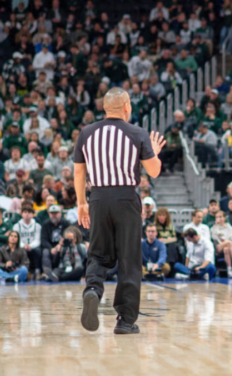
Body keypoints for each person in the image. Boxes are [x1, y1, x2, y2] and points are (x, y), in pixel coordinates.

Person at [74, 87, 165, 335]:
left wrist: (82, 202)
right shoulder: (137, 132)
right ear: (127, 106)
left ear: (104, 107)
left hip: (98, 198)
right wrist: (155, 152)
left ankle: (92, 290)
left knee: (99, 254)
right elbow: (154, 171)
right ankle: (125, 321)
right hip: (126, 198)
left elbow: (79, 171)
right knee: (129, 259)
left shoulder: (86, 133)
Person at [211, 210, 232, 278]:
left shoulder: (229, 227)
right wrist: (215, 226)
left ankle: (229, 270)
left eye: (220, 217)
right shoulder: (214, 228)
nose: (218, 219)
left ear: (224, 218)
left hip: (229, 247)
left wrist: (225, 242)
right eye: (217, 217)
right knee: (228, 243)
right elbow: (214, 238)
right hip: (218, 247)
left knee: (227, 249)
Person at [13, 206, 42, 275]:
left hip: (33, 246)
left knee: (38, 251)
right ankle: (21, 270)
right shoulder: (16, 226)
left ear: (33, 214)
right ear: (22, 214)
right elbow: (16, 239)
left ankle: (37, 270)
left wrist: (30, 246)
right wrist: (24, 245)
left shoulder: (37, 226)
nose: (27, 214)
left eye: (29, 212)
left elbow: (37, 240)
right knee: (19, 251)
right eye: (25, 212)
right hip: (21, 246)